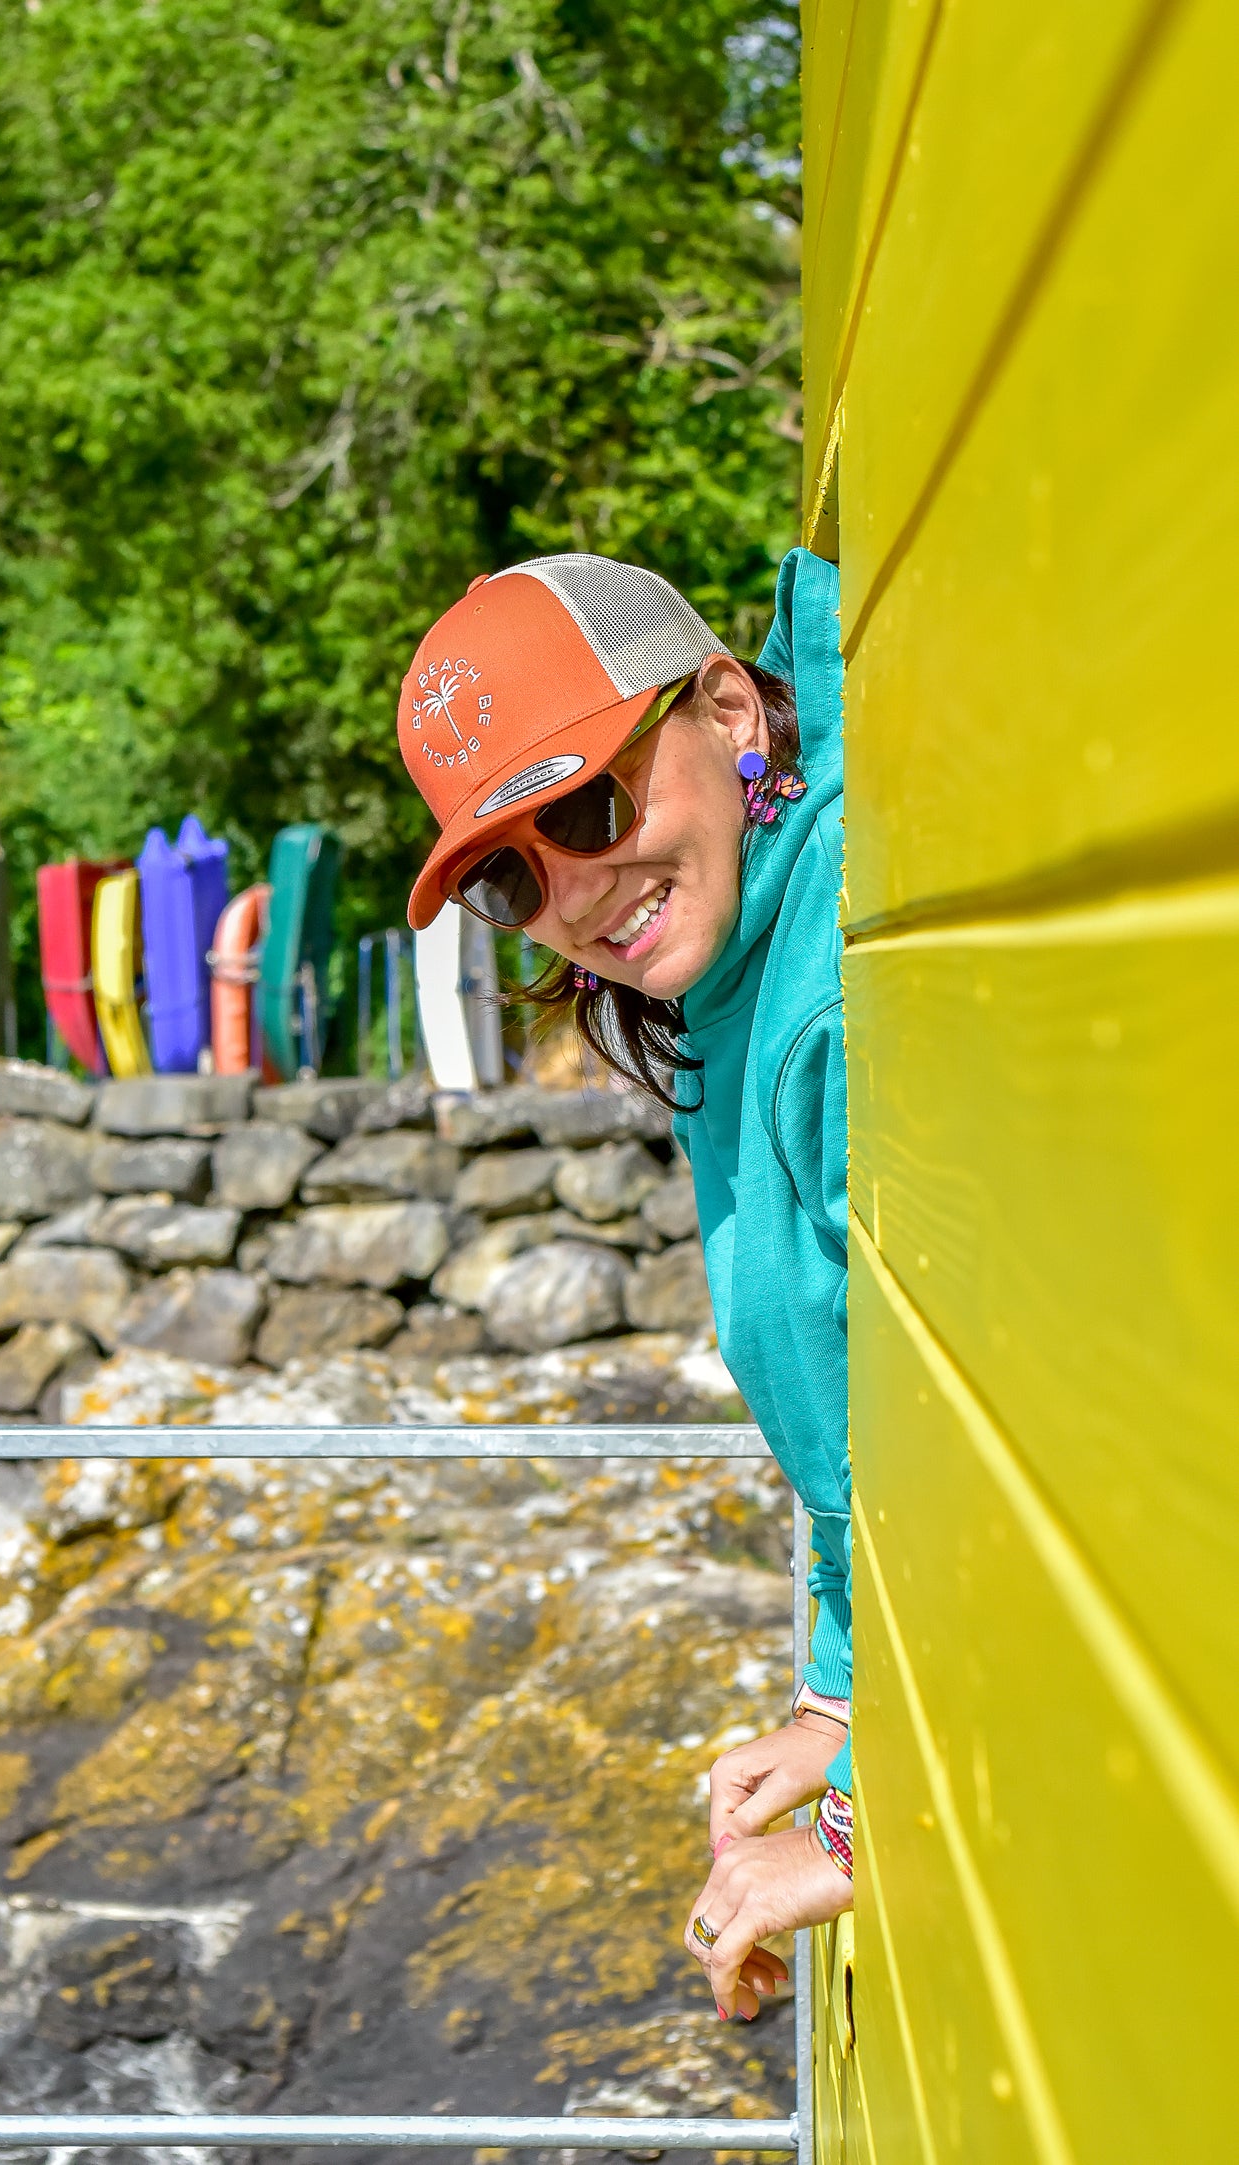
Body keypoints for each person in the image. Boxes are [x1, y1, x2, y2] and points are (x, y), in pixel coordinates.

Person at [397, 549, 854, 2025]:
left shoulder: (844, 995)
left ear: (727, 709)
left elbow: (1053, 1478)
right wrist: (841, 1708)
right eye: (512, 877)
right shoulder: (735, 979)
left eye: (587, 807)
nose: (577, 892)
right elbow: (881, 1457)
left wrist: (866, 1820)